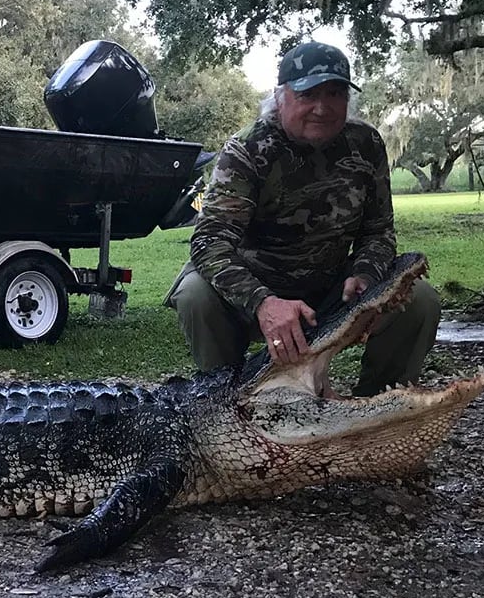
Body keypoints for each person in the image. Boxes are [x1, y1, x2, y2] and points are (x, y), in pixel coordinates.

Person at [165, 41, 441, 397]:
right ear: (281, 96)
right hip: (251, 287)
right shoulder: (247, 150)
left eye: (335, 93)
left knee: (419, 299)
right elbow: (208, 243)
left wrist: (366, 274)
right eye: (308, 94)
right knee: (194, 294)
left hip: (329, 288)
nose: (321, 108)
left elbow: (378, 231)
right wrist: (264, 302)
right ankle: (228, 404)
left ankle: (377, 408)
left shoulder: (366, 143)